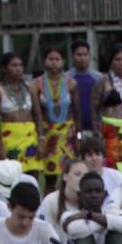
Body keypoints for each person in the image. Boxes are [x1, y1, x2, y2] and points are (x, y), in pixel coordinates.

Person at [35, 47, 78, 183]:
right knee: (50, 177)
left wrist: (79, 136)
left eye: (57, 59)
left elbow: (78, 111)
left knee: (69, 175)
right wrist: (40, 137)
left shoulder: (71, 83)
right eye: (51, 59)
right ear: (45, 62)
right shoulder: (36, 84)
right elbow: (36, 114)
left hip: (68, 133)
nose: (54, 63)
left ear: (63, 62)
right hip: (48, 133)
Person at [0, 53, 40, 171]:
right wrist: (0, 147)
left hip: (29, 135)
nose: (18, 69)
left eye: (20, 65)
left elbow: (37, 115)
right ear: (4, 68)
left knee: (33, 173)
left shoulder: (30, 87)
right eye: (14, 65)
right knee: (12, 173)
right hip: (9, 136)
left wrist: (41, 139)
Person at [68, 39, 100, 136]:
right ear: (73, 57)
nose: (82, 58)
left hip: (95, 128)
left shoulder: (99, 78)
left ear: (89, 56)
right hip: (74, 129)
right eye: (79, 55)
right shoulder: (66, 79)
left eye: (85, 54)